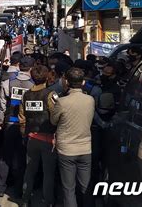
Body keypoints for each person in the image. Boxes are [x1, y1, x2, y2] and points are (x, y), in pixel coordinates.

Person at [50, 67, 95, 207]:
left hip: (66, 149)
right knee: (85, 187)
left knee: (68, 189)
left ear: (66, 81)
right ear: (82, 83)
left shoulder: (62, 102)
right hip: (85, 148)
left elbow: (53, 121)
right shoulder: (90, 100)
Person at [19, 65, 57, 207]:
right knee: (48, 173)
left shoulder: (26, 94)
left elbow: (22, 117)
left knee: (30, 171)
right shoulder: (50, 94)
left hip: (31, 138)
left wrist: (24, 133)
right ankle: (48, 202)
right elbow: (56, 115)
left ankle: (25, 199)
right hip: (48, 138)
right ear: (47, 77)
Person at [0, 55, 34, 198]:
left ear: (19, 66)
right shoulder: (33, 85)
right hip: (26, 126)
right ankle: (19, 189)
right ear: (31, 68)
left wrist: (1, 119)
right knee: (21, 157)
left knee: (5, 156)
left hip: (10, 122)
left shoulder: (8, 82)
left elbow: (2, 105)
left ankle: (0, 187)